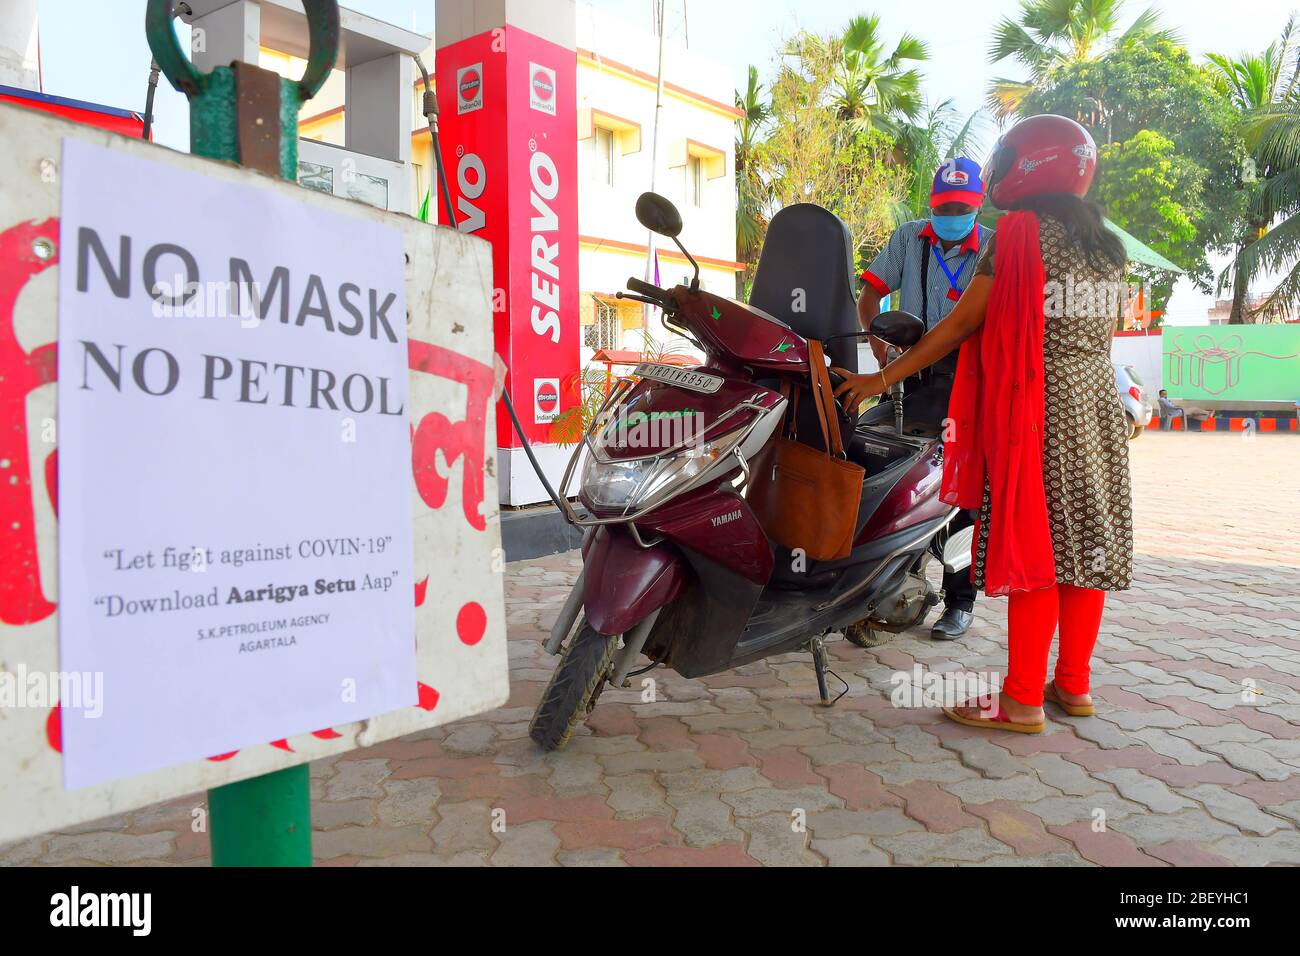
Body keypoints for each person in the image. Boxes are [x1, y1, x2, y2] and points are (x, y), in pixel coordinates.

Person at [834, 114, 1133, 734]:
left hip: (1040, 402)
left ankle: (1022, 698)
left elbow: (962, 324)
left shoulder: (1021, 232)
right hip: (1097, 398)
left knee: (1039, 545)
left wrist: (878, 380)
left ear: (1027, 165)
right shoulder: (1107, 242)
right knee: (1083, 544)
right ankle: (1072, 686)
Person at [857, 157, 991, 641]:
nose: (950, 215)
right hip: (910, 379)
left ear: (977, 204)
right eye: (942, 207)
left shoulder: (993, 248)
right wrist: (879, 342)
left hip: (970, 383)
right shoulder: (909, 239)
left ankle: (960, 601)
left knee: (960, 494)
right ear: (931, 204)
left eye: (960, 207)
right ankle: (881, 588)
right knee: (893, 475)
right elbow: (869, 294)